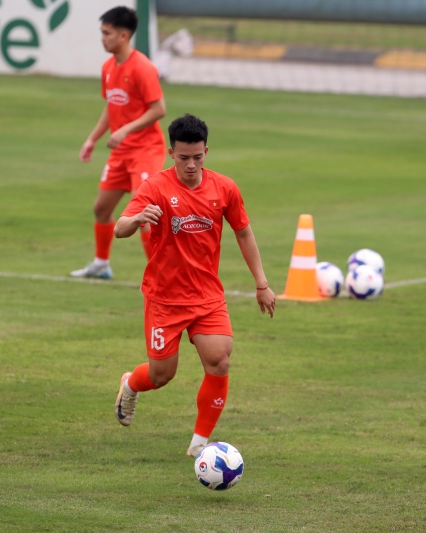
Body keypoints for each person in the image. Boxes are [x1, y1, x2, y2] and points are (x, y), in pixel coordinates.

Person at [113, 114, 276, 457]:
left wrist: (261, 283)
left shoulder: (224, 188)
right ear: (171, 153)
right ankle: (130, 384)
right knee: (161, 375)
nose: (191, 165)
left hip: (207, 296)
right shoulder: (155, 187)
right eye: (184, 157)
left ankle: (200, 445)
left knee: (219, 361)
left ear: (207, 152)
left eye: (197, 157)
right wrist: (138, 218)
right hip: (165, 298)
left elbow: (244, 233)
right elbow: (120, 228)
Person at [71, 5, 167, 280]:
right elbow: (111, 107)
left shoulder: (143, 68)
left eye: (107, 33)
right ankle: (101, 264)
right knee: (101, 209)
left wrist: (125, 129)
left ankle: (160, 276)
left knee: (144, 214)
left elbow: (159, 109)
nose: (102, 38)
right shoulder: (108, 67)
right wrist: (92, 139)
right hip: (120, 153)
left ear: (123, 36)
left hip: (146, 151)